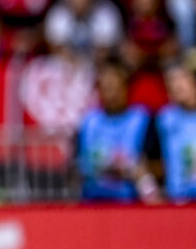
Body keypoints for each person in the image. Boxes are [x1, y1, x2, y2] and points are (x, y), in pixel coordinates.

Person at [75, 57, 160, 202]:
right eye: (106, 88)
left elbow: (160, 167)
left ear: (126, 86)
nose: (111, 94)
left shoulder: (143, 120)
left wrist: (134, 171)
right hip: (92, 204)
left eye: (115, 87)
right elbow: (74, 167)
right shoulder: (88, 122)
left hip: (130, 204)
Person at [153, 63, 196, 201]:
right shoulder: (164, 119)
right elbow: (153, 160)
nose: (176, 85)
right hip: (176, 199)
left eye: (181, 79)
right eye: (170, 81)